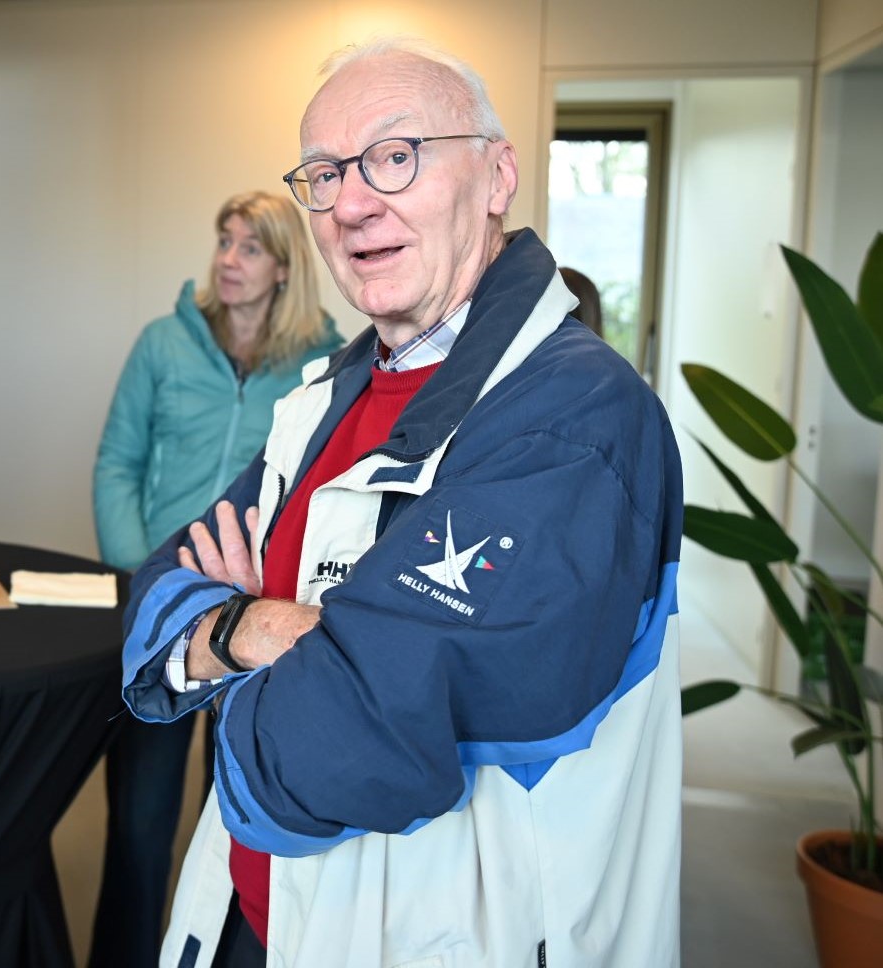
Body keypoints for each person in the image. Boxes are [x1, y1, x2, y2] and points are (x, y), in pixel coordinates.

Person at [122, 39, 682, 967]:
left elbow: (339, 742)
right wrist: (257, 633)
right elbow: (156, 588)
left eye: (395, 155)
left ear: (498, 173)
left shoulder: (575, 420)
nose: (350, 203)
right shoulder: (329, 394)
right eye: (326, 173)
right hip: (258, 913)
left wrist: (224, 636)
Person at [88, 190, 343, 968]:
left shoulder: (324, 360)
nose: (229, 260)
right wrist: (144, 578)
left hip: (258, 616)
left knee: (230, 815)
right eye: (224, 242)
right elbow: (116, 464)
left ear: (284, 267)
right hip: (167, 611)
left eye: (250, 247)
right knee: (139, 821)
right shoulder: (164, 345)